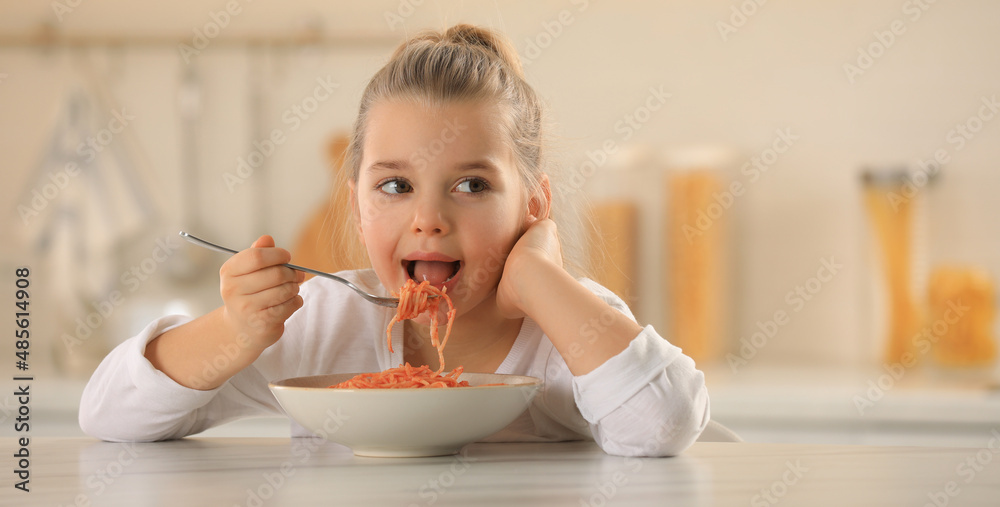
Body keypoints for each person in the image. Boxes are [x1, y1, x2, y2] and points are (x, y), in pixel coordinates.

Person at [79, 24, 709, 456]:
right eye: (395, 186)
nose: (428, 219)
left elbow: (661, 425)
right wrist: (234, 333)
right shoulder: (321, 326)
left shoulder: (568, 330)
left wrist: (542, 280)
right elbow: (107, 416)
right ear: (356, 204)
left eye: (470, 185)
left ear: (534, 204)